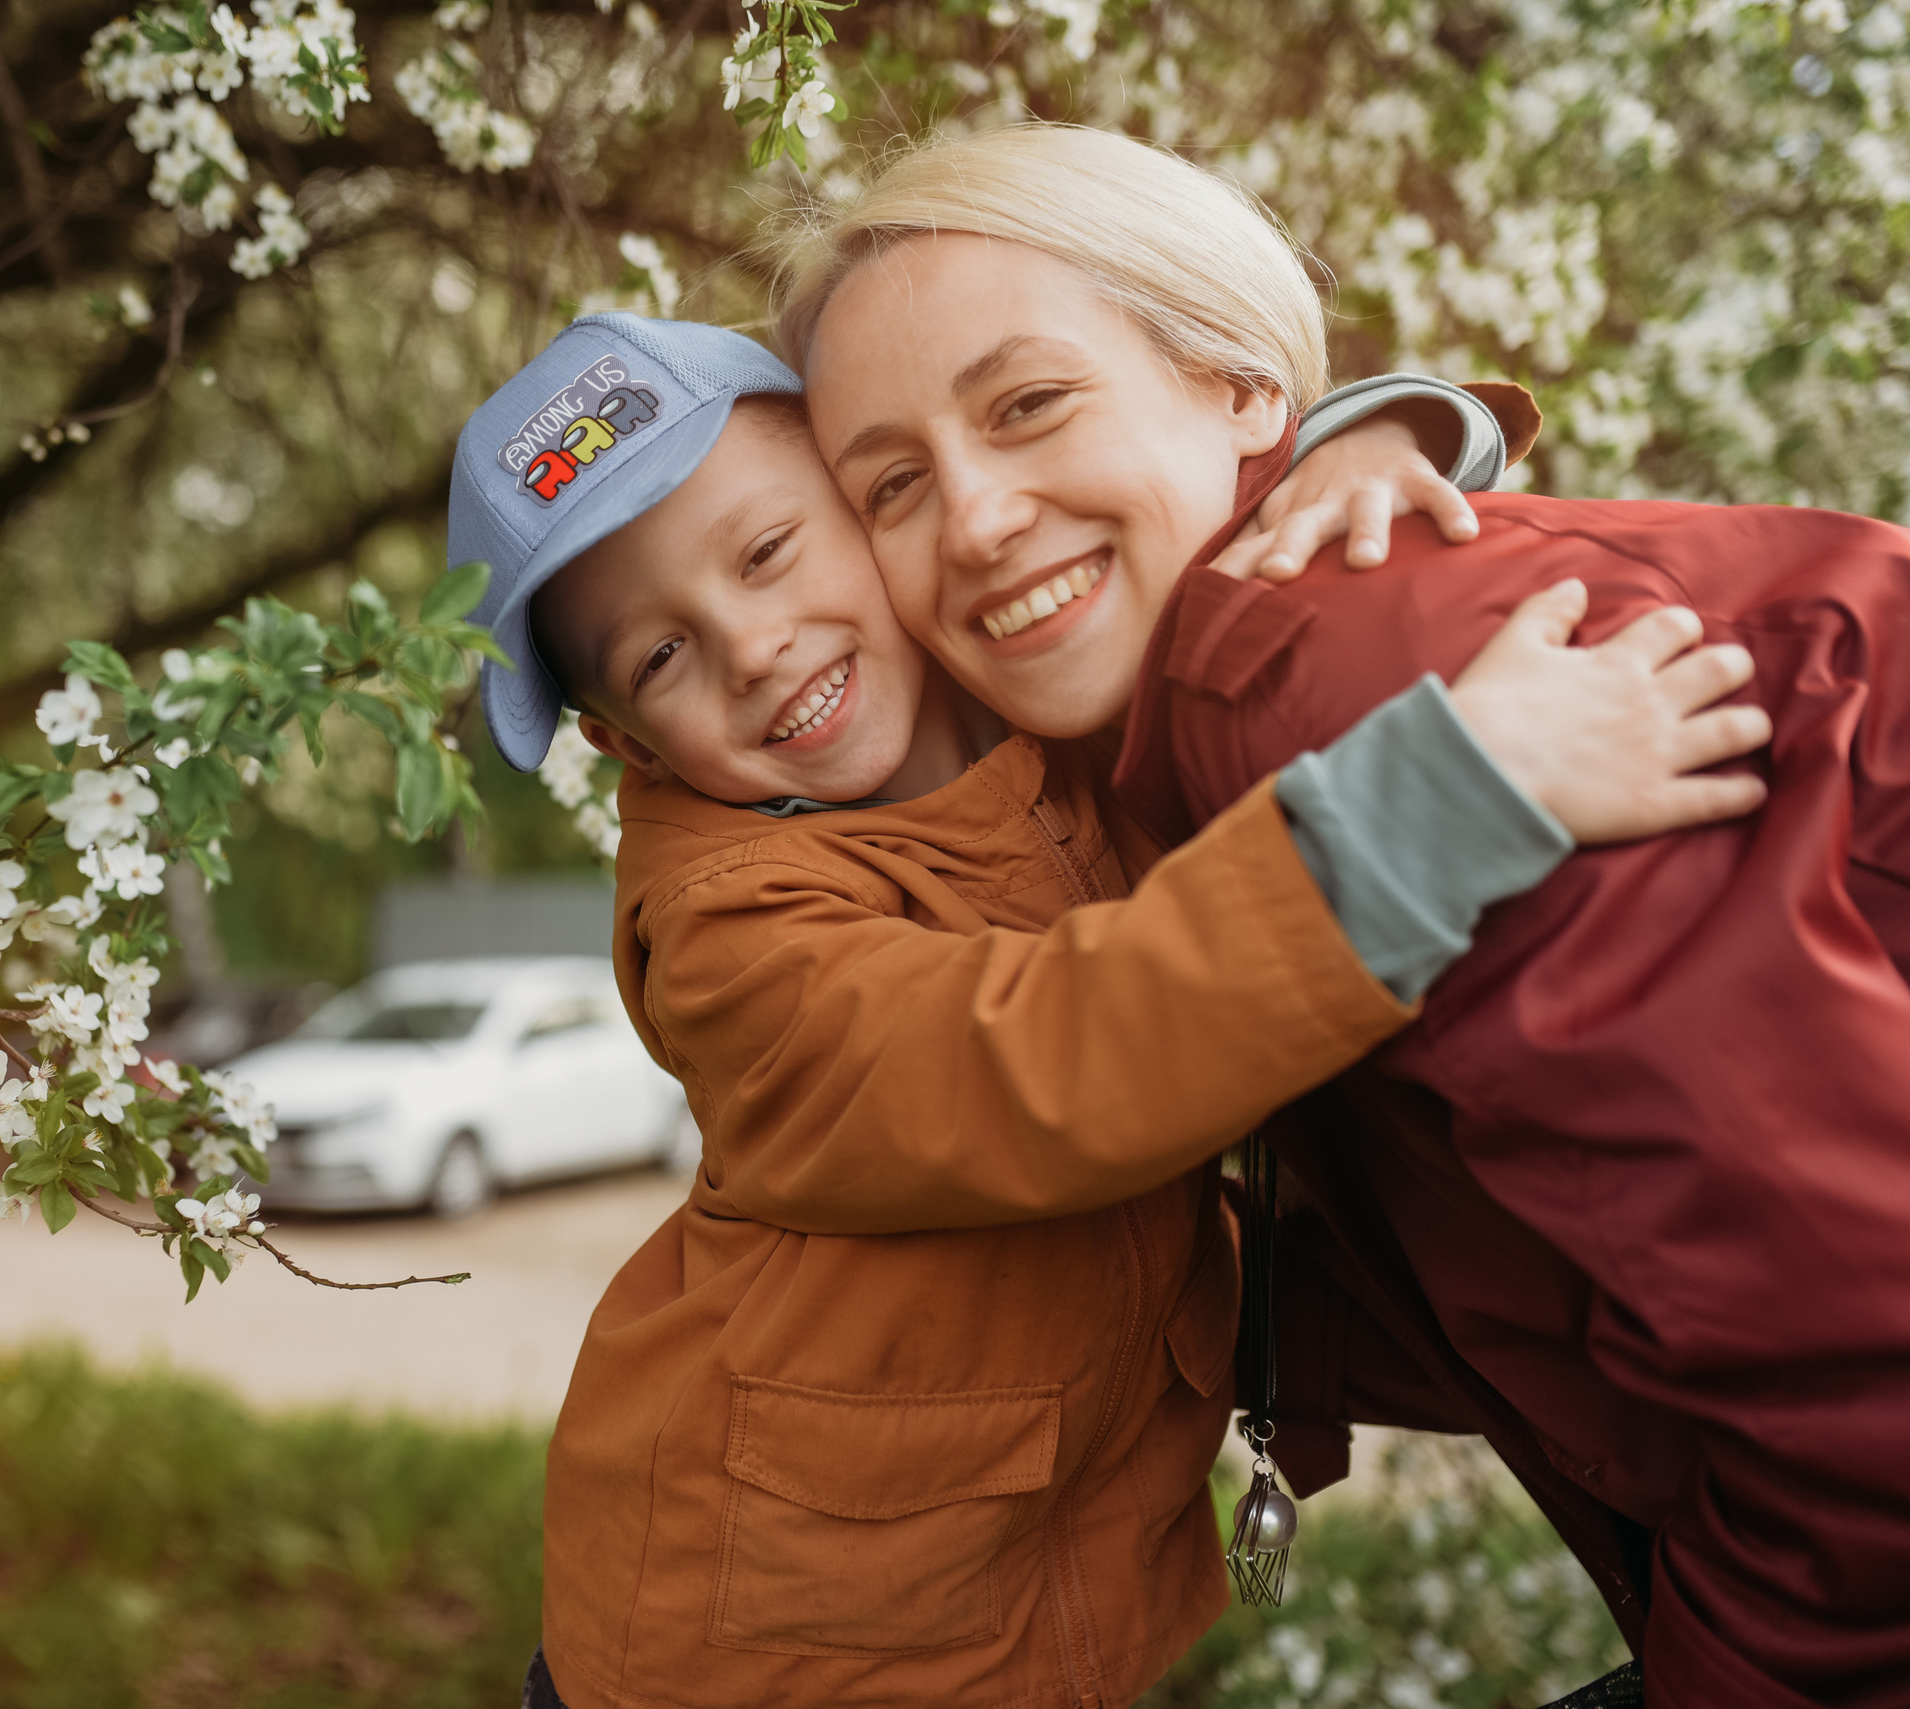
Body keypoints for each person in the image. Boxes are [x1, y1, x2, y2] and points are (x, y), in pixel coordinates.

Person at [448, 308, 1765, 1707]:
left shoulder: (1042, 692)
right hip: (744, 1656)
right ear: (622, 741)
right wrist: (1442, 809)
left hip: (1002, 1616)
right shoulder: (731, 938)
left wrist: (1372, 444)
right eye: (660, 657)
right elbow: (1047, 1053)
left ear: (875, 499)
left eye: (769, 551)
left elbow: (1171, 511)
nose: (754, 646)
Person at [775, 121, 1908, 1708]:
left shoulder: (1341, 684)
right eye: (890, 487)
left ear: (1244, 392)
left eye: (1029, 405)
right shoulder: (1182, 743)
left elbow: (1859, 1379)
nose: (971, 520)